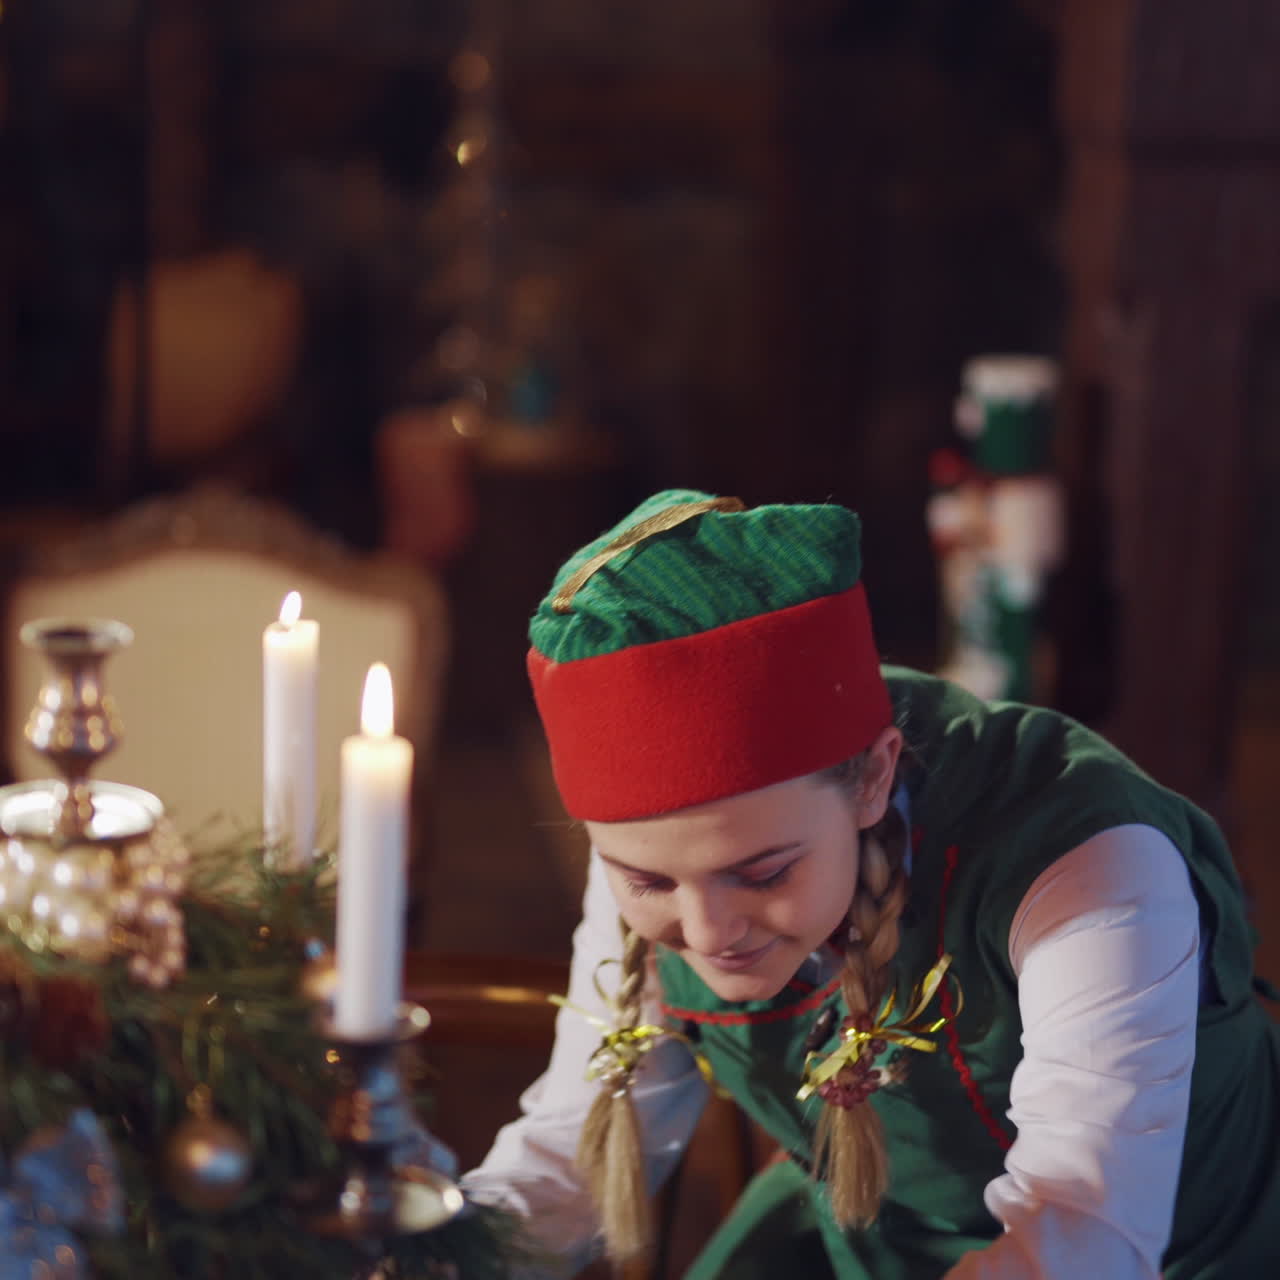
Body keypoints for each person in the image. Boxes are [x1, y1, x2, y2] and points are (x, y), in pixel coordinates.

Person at [462, 489, 1280, 1279]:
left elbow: (1083, 1236)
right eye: (645, 880)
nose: (708, 932)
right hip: (868, 1236)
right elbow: (568, 1163)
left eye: (764, 873)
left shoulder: (1089, 865)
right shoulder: (667, 869)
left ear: (872, 780)